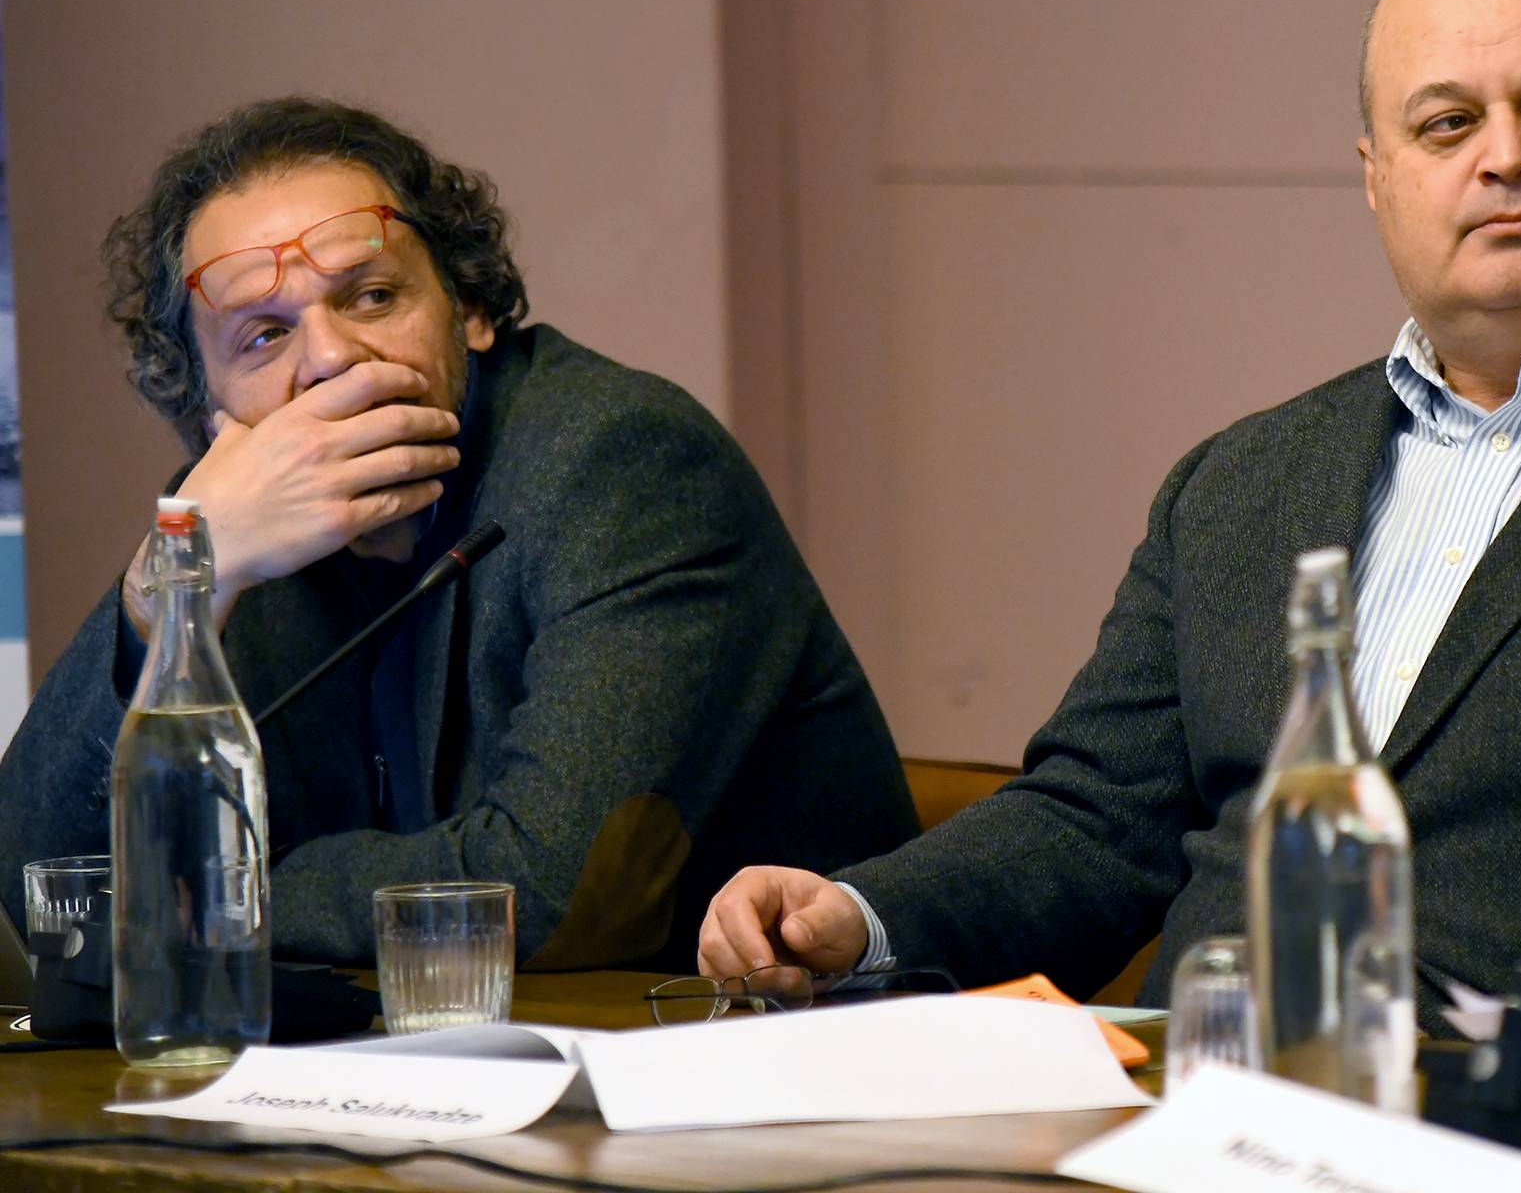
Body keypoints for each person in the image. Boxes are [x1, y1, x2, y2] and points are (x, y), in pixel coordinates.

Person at [699, 0, 1521, 1014]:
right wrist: (855, 917)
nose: (1506, 156)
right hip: (1196, 1104)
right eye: (1446, 124)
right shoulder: (1240, 483)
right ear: (1376, 174)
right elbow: (1097, 821)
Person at [0, 98, 918, 968]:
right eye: (264, 337)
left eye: (371, 296)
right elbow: (36, 886)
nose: (330, 358)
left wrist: (205, 894)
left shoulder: (622, 461)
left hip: (738, 1043)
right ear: (209, 410)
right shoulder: (231, 524)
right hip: (413, 1054)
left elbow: (553, 888)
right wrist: (172, 582)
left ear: (469, 308)